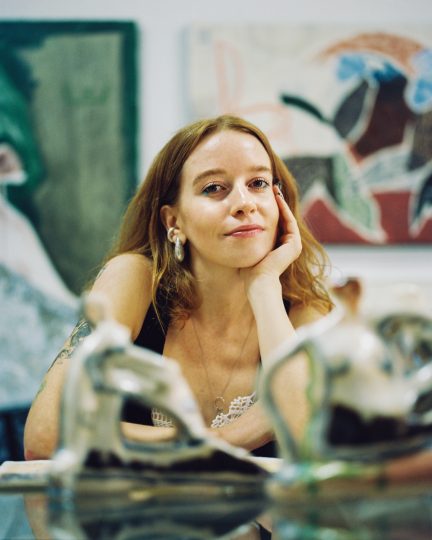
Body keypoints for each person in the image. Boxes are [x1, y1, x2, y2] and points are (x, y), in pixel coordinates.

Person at [23, 114, 333, 460]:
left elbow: (314, 447)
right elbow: (45, 434)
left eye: (258, 183)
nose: (245, 203)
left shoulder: (304, 312)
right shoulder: (135, 279)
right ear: (174, 221)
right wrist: (226, 438)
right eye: (214, 188)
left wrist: (264, 287)